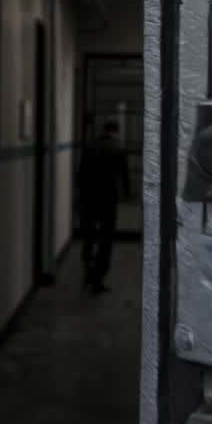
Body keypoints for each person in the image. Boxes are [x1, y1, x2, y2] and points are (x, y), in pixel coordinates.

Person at [77, 119, 131, 294]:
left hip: (89, 197)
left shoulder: (90, 146)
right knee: (106, 239)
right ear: (116, 131)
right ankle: (98, 279)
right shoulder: (118, 148)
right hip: (108, 198)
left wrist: (80, 197)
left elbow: (81, 173)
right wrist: (127, 194)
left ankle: (87, 268)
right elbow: (124, 175)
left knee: (89, 234)